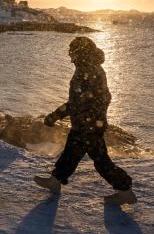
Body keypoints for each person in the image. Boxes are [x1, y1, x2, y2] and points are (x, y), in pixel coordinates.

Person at [34, 36, 136, 205]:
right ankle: (55, 181)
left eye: (72, 51)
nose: (70, 56)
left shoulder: (87, 71)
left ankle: (125, 191)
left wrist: (54, 116)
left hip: (87, 126)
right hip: (87, 124)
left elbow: (76, 102)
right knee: (70, 155)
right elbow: (103, 98)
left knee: (101, 162)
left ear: (80, 52)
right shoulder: (90, 68)